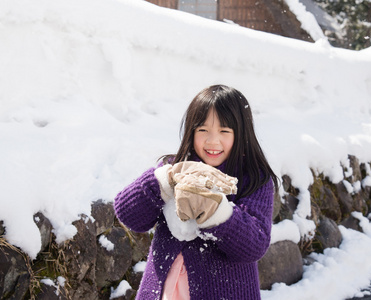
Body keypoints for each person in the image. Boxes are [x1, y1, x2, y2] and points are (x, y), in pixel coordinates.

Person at [114, 84, 278, 300]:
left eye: (224, 131)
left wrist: (218, 213)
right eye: (203, 130)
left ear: (241, 134)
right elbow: (128, 214)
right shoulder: (176, 168)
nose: (212, 141)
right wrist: (163, 182)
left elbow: (254, 245)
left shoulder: (253, 180)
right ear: (191, 131)